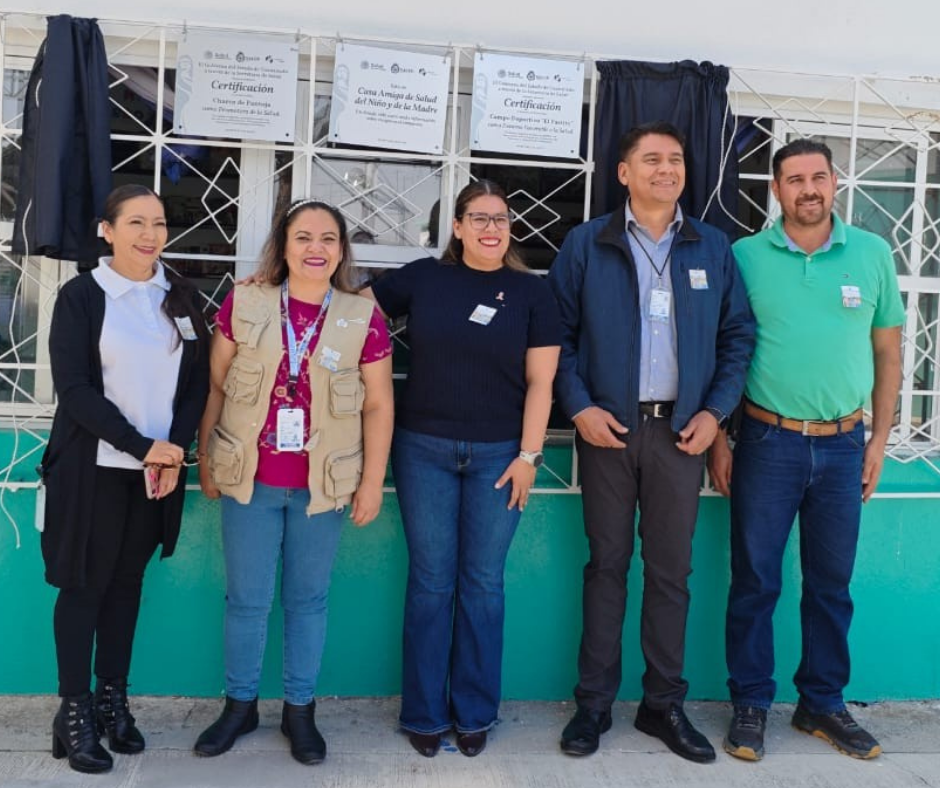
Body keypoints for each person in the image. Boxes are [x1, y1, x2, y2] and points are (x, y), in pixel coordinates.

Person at [548, 121, 755, 763]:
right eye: (652, 160)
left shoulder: (713, 248)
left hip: (680, 435)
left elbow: (737, 338)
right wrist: (578, 407)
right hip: (607, 432)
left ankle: (663, 705)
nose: (666, 169)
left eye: (675, 159)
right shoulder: (587, 243)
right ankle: (593, 705)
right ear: (623, 172)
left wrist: (716, 413)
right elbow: (555, 337)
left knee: (672, 574)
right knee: (605, 567)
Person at [709, 138, 904, 762]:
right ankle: (751, 702)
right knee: (755, 581)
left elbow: (888, 354)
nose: (809, 189)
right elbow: (717, 351)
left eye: (818, 177)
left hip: (846, 446)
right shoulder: (744, 257)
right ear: (776, 189)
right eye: (795, 180)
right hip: (766, 442)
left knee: (830, 585)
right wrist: (717, 436)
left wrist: (880, 438)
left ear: (835, 182)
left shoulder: (872, 253)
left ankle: (821, 702)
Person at [363, 179, 561, 759]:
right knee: (430, 583)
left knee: (482, 585)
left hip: (501, 457)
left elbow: (542, 382)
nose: (490, 228)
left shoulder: (531, 293)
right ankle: (423, 713)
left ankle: (474, 712)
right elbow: (349, 309)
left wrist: (529, 456)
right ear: (456, 226)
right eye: (478, 218)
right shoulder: (424, 279)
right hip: (423, 449)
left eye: (500, 218)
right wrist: (278, 284)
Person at [193, 198, 393, 765]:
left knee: (308, 602)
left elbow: (379, 405)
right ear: (283, 246)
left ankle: (300, 711)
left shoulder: (361, 316)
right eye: (303, 237)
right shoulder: (247, 300)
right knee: (247, 601)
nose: (315, 249)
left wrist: (372, 481)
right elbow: (217, 385)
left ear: (341, 251)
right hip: (249, 480)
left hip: (322, 487)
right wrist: (206, 459)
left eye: (328, 239)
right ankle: (240, 706)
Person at [41, 184, 210, 774]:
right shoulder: (83, 296)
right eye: (135, 222)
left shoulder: (182, 296)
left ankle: (114, 699)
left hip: (155, 474)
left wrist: (173, 451)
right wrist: (145, 448)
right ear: (106, 230)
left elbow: (197, 385)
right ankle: (75, 710)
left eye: (159, 223)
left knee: (126, 586)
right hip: (94, 470)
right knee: (83, 585)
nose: (149, 234)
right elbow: (76, 391)